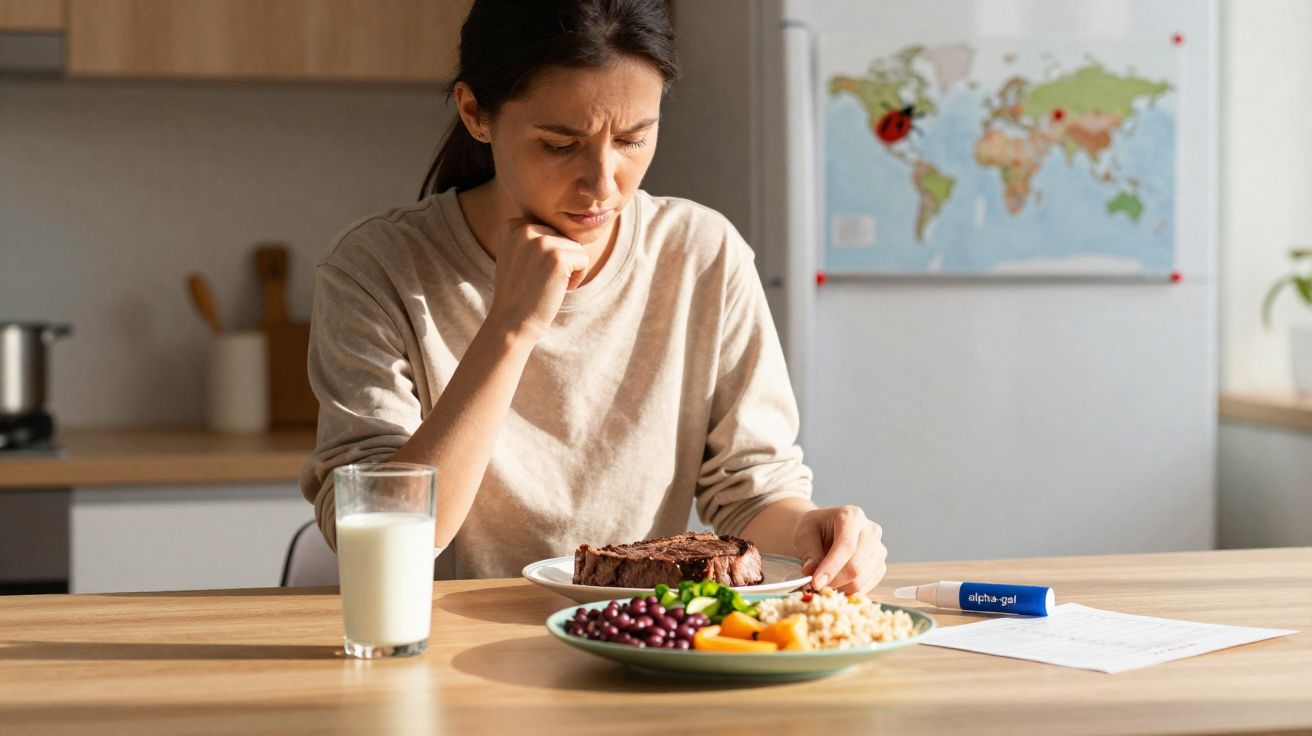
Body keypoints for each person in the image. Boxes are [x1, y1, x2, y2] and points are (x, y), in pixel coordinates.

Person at [298, 0, 887, 594]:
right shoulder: (375, 267)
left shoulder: (702, 253)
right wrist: (511, 327)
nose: (603, 185)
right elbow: (375, 533)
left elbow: (752, 489)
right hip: (452, 646)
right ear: (476, 113)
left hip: (643, 641)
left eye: (633, 139)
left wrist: (815, 529)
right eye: (559, 144)